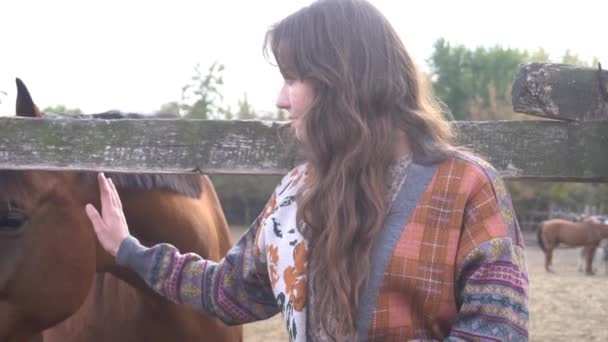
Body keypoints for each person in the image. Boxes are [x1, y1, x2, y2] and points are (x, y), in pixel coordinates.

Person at [85, 0, 529, 340]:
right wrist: (129, 250)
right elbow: (228, 289)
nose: (281, 99)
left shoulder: (467, 187)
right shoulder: (293, 196)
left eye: (293, 78)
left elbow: (497, 330)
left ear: (344, 80)